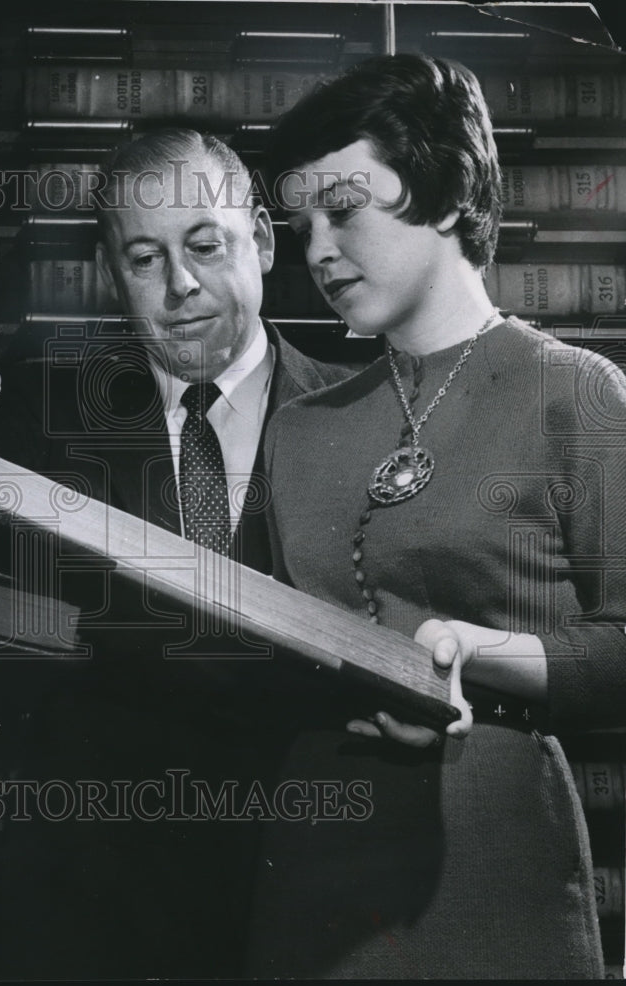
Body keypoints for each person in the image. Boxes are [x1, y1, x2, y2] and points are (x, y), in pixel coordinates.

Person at [0, 128, 348, 979]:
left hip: (309, 910)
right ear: (111, 273)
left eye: (205, 246)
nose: (179, 285)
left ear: (264, 240)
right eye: (144, 258)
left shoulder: (363, 421)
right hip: (88, 917)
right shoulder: (37, 407)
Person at [249, 52, 626, 979]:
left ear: (449, 193)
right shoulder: (297, 428)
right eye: (303, 226)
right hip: (314, 857)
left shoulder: (575, 394)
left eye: (345, 210)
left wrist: (472, 650)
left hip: (489, 852)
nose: (320, 250)